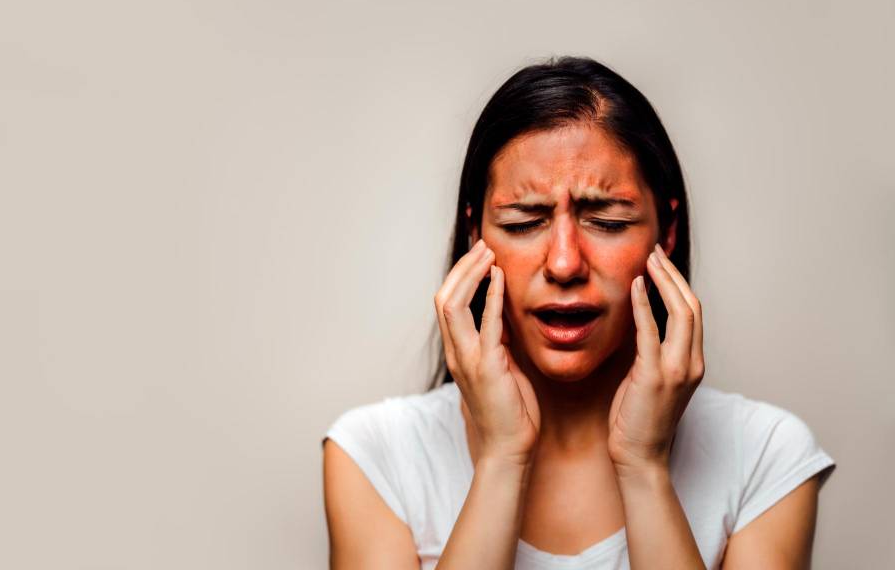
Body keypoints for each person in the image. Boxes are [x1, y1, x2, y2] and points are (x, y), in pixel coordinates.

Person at [321, 56, 836, 569]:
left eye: (607, 221)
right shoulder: (375, 455)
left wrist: (644, 467)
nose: (565, 263)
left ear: (667, 231)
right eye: (524, 221)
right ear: (476, 234)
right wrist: (502, 460)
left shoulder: (767, 455)